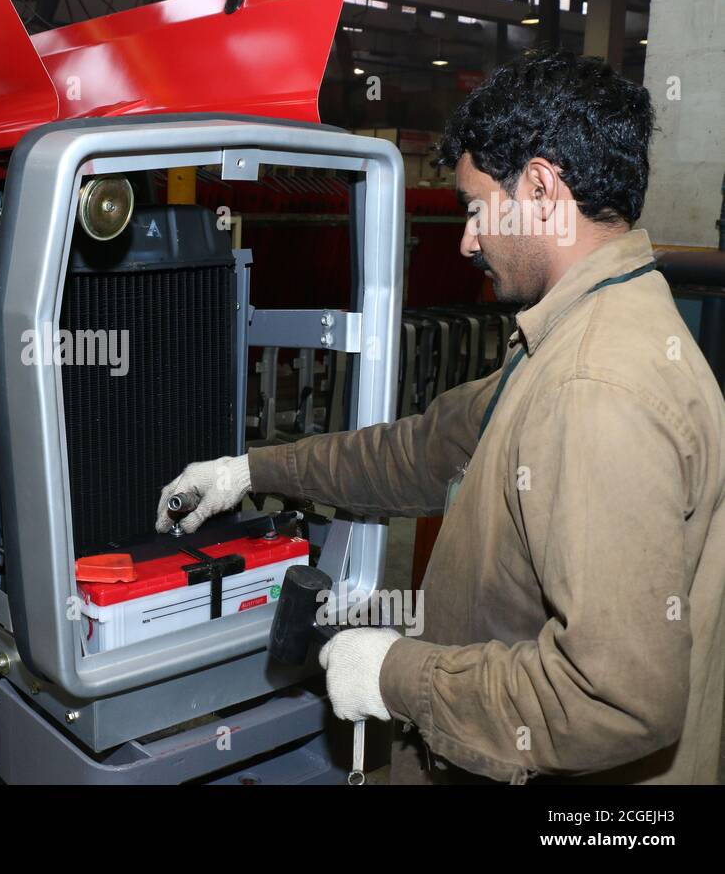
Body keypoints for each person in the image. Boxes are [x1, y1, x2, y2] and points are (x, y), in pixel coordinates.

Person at [156, 49, 725, 784]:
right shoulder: (578, 334)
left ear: (543, 189)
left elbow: (616, 698)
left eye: (475, 208)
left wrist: (400, 675)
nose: (467, 240)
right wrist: (252, 469)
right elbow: (421, 452)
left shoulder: (595, 387)